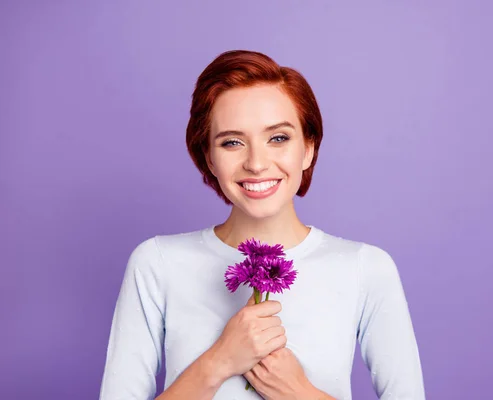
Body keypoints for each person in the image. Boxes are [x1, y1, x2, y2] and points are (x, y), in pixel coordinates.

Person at [99, 50, 426, 400]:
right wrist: (219, 361)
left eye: (279, 138)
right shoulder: (157, 262)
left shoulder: (365, 267)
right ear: (209, 157)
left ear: (308, 148)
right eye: (232, 142)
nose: (256, 163)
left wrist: (300, 393)